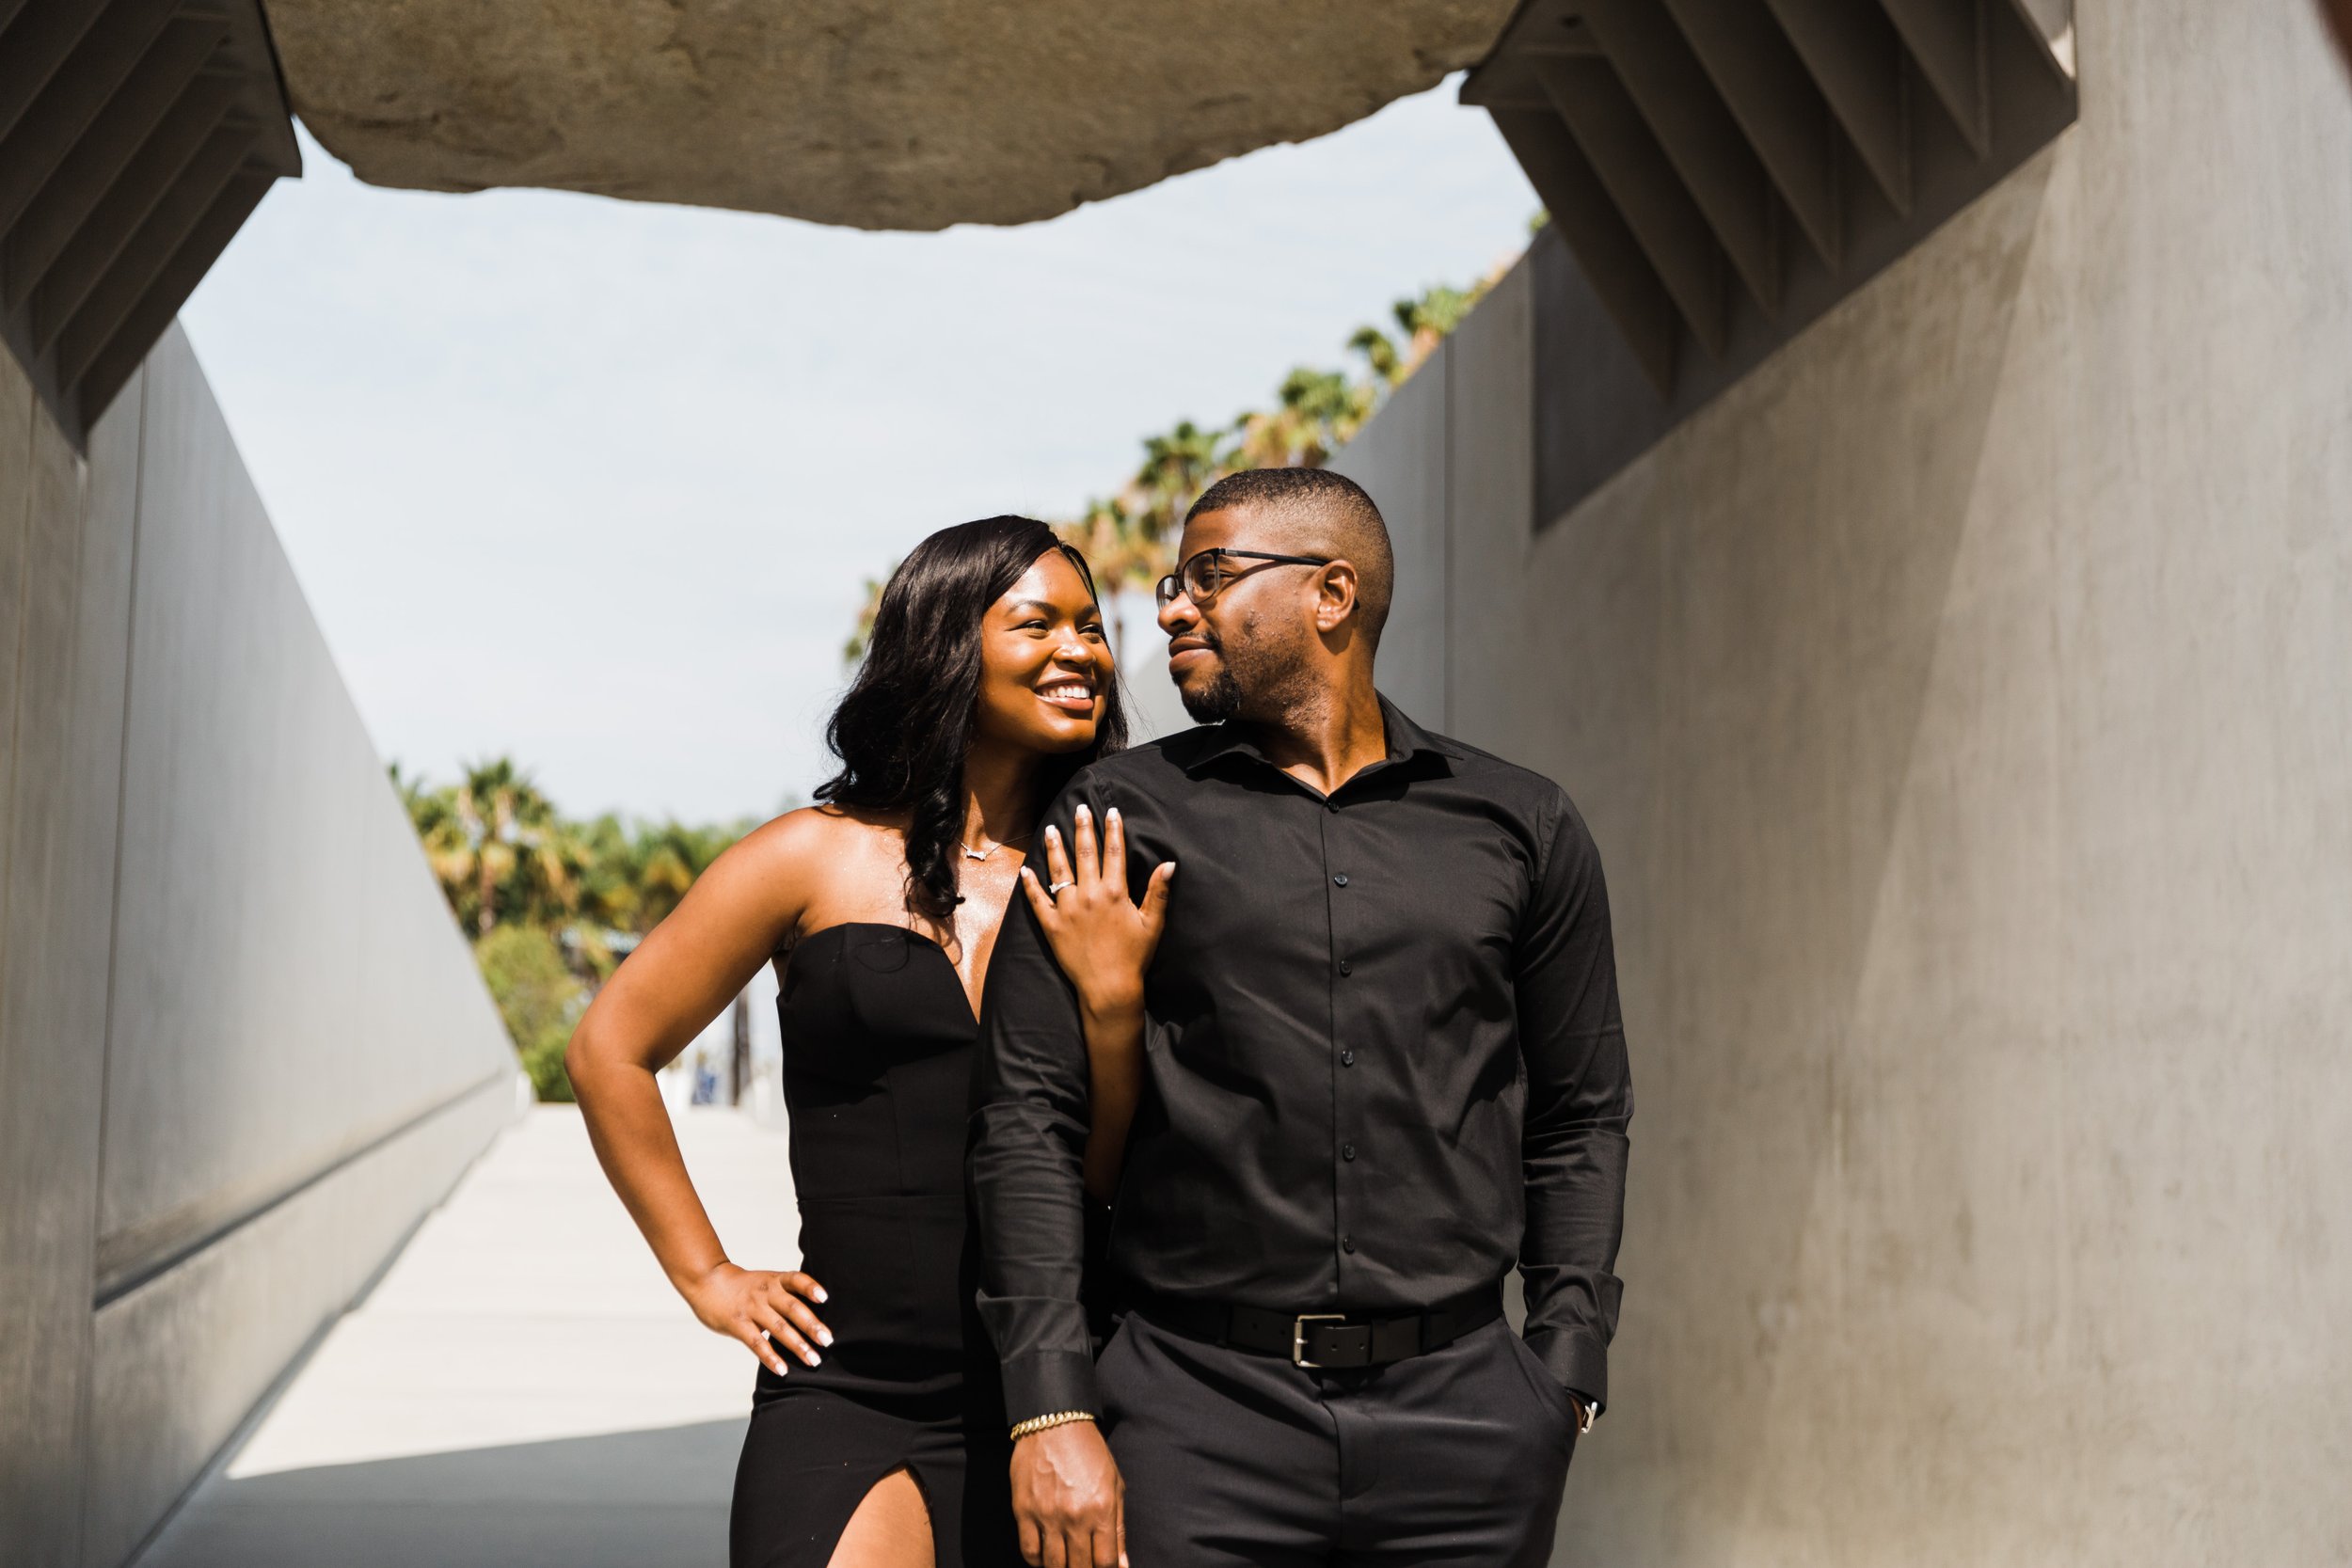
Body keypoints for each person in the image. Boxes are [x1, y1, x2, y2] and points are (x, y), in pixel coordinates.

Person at [970, 467, 1633, 1568]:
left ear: (1332, 594)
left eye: (1209, 575)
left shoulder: (1522, 824)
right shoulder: (1118, 812)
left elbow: (1581, 1110)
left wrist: (1564, 1364)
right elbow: (1026, 1115)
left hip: (1467, 1425)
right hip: (1194, 1414)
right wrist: (1050, 1403)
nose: (1174, 605)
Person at [566, 516, 1169, 1568]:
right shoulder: (809, 858)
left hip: (1070, 1385)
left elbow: (1118, 1168)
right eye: (1039, 623)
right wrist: (708, 1273)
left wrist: (1114, 1005)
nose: (1083, 650)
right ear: (946, 643)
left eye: (1092, 627)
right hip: (852, 1389)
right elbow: (609, 1047)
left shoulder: (1111, 872)